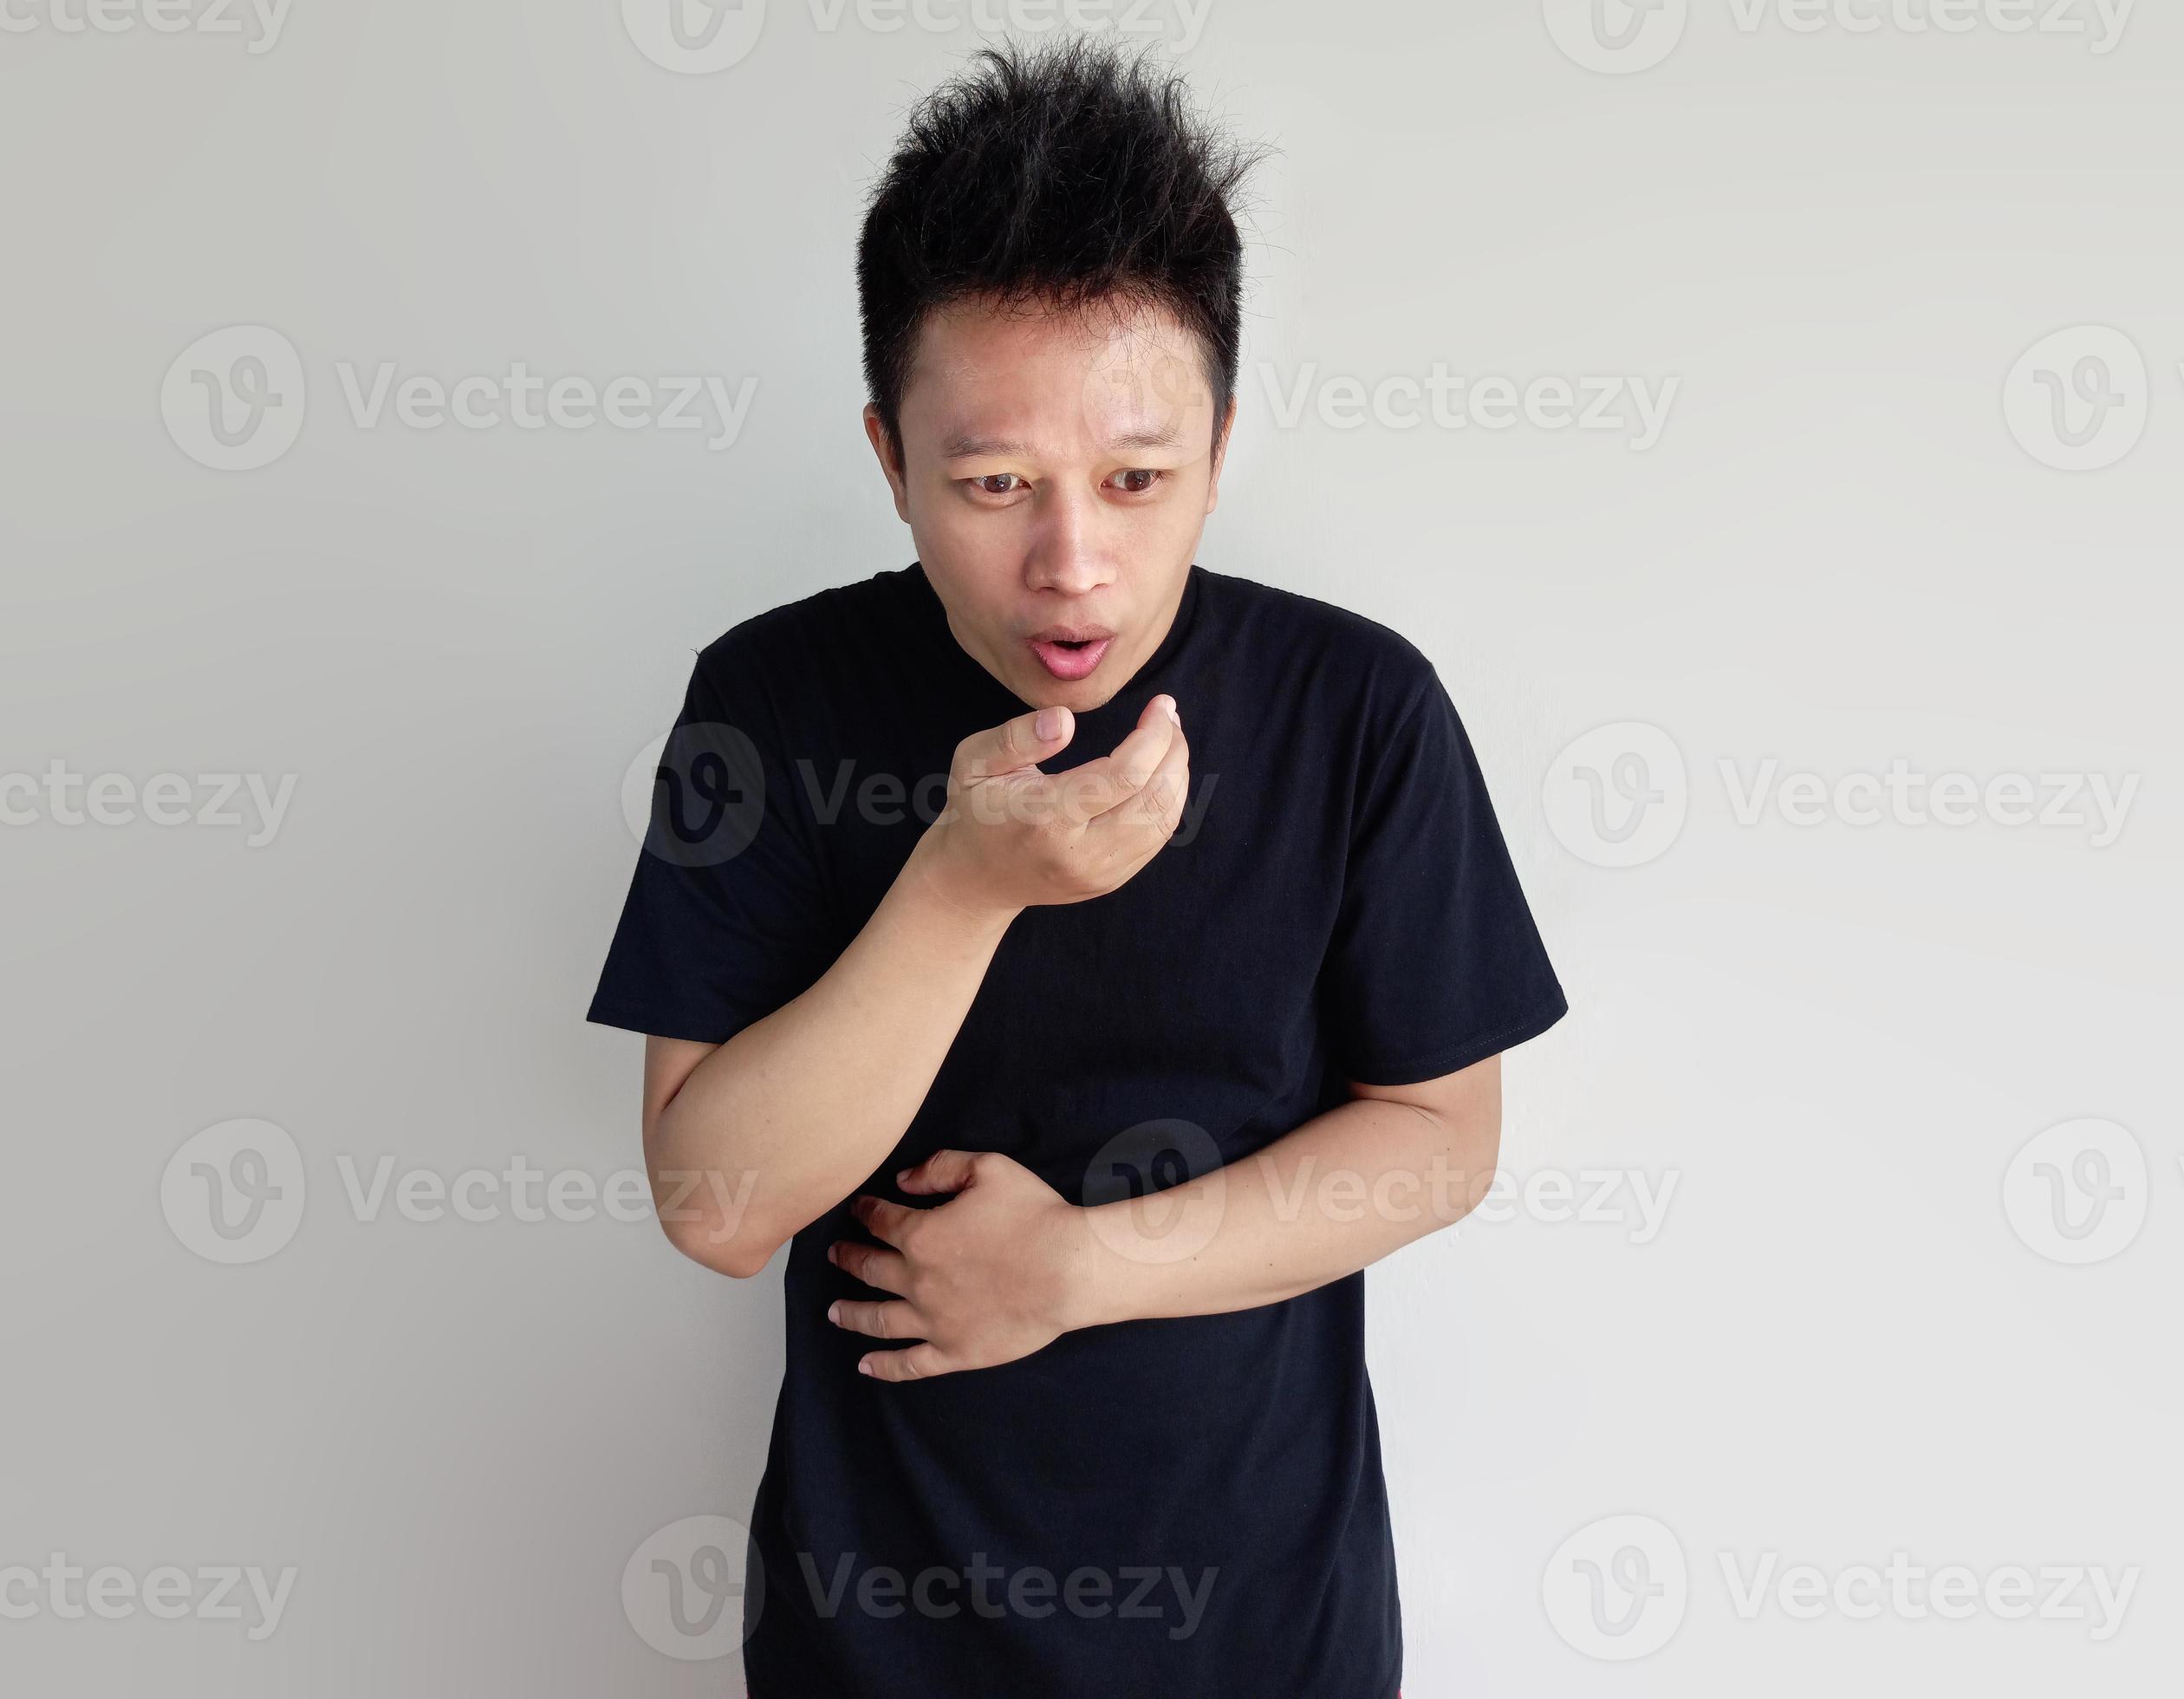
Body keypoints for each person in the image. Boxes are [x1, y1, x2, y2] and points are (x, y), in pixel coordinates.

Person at [588, 36, 1565, 1699]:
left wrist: (1079, 1271)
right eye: (990, 485)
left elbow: (1440, 1138)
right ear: (890, 458)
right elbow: (716, 1202)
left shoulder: (1358, 709)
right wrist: (964, 885)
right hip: (875, 1642)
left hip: (1267, 1635)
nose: (1073, 562)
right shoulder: (771, 700)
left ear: (1225, 439)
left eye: (1136, 479)